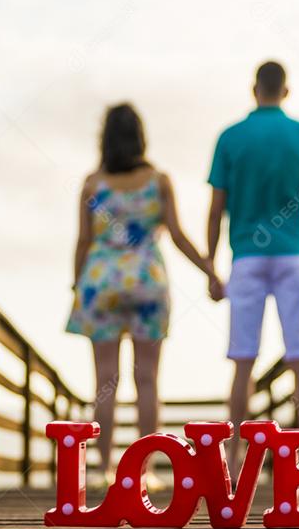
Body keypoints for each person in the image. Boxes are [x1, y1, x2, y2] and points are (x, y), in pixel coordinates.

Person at [67, 103, 221, 483]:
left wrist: (76, 284)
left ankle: (103, 469)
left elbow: (83, 241)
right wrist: (210, 271)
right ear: (140, 138)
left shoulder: (92, 185)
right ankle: (145, 471)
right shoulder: (159, 181)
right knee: (148, 379)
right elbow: (178, 236)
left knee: (105, 380)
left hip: (101, 283)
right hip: (147, 282)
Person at [205, 61, 299, 470]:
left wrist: (211, 267)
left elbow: (216, 211)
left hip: (246, 257)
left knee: (243, 361)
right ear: (286, 91)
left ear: (254, 89)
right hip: (295, 255)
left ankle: (234, 458)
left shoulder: (230, 137)